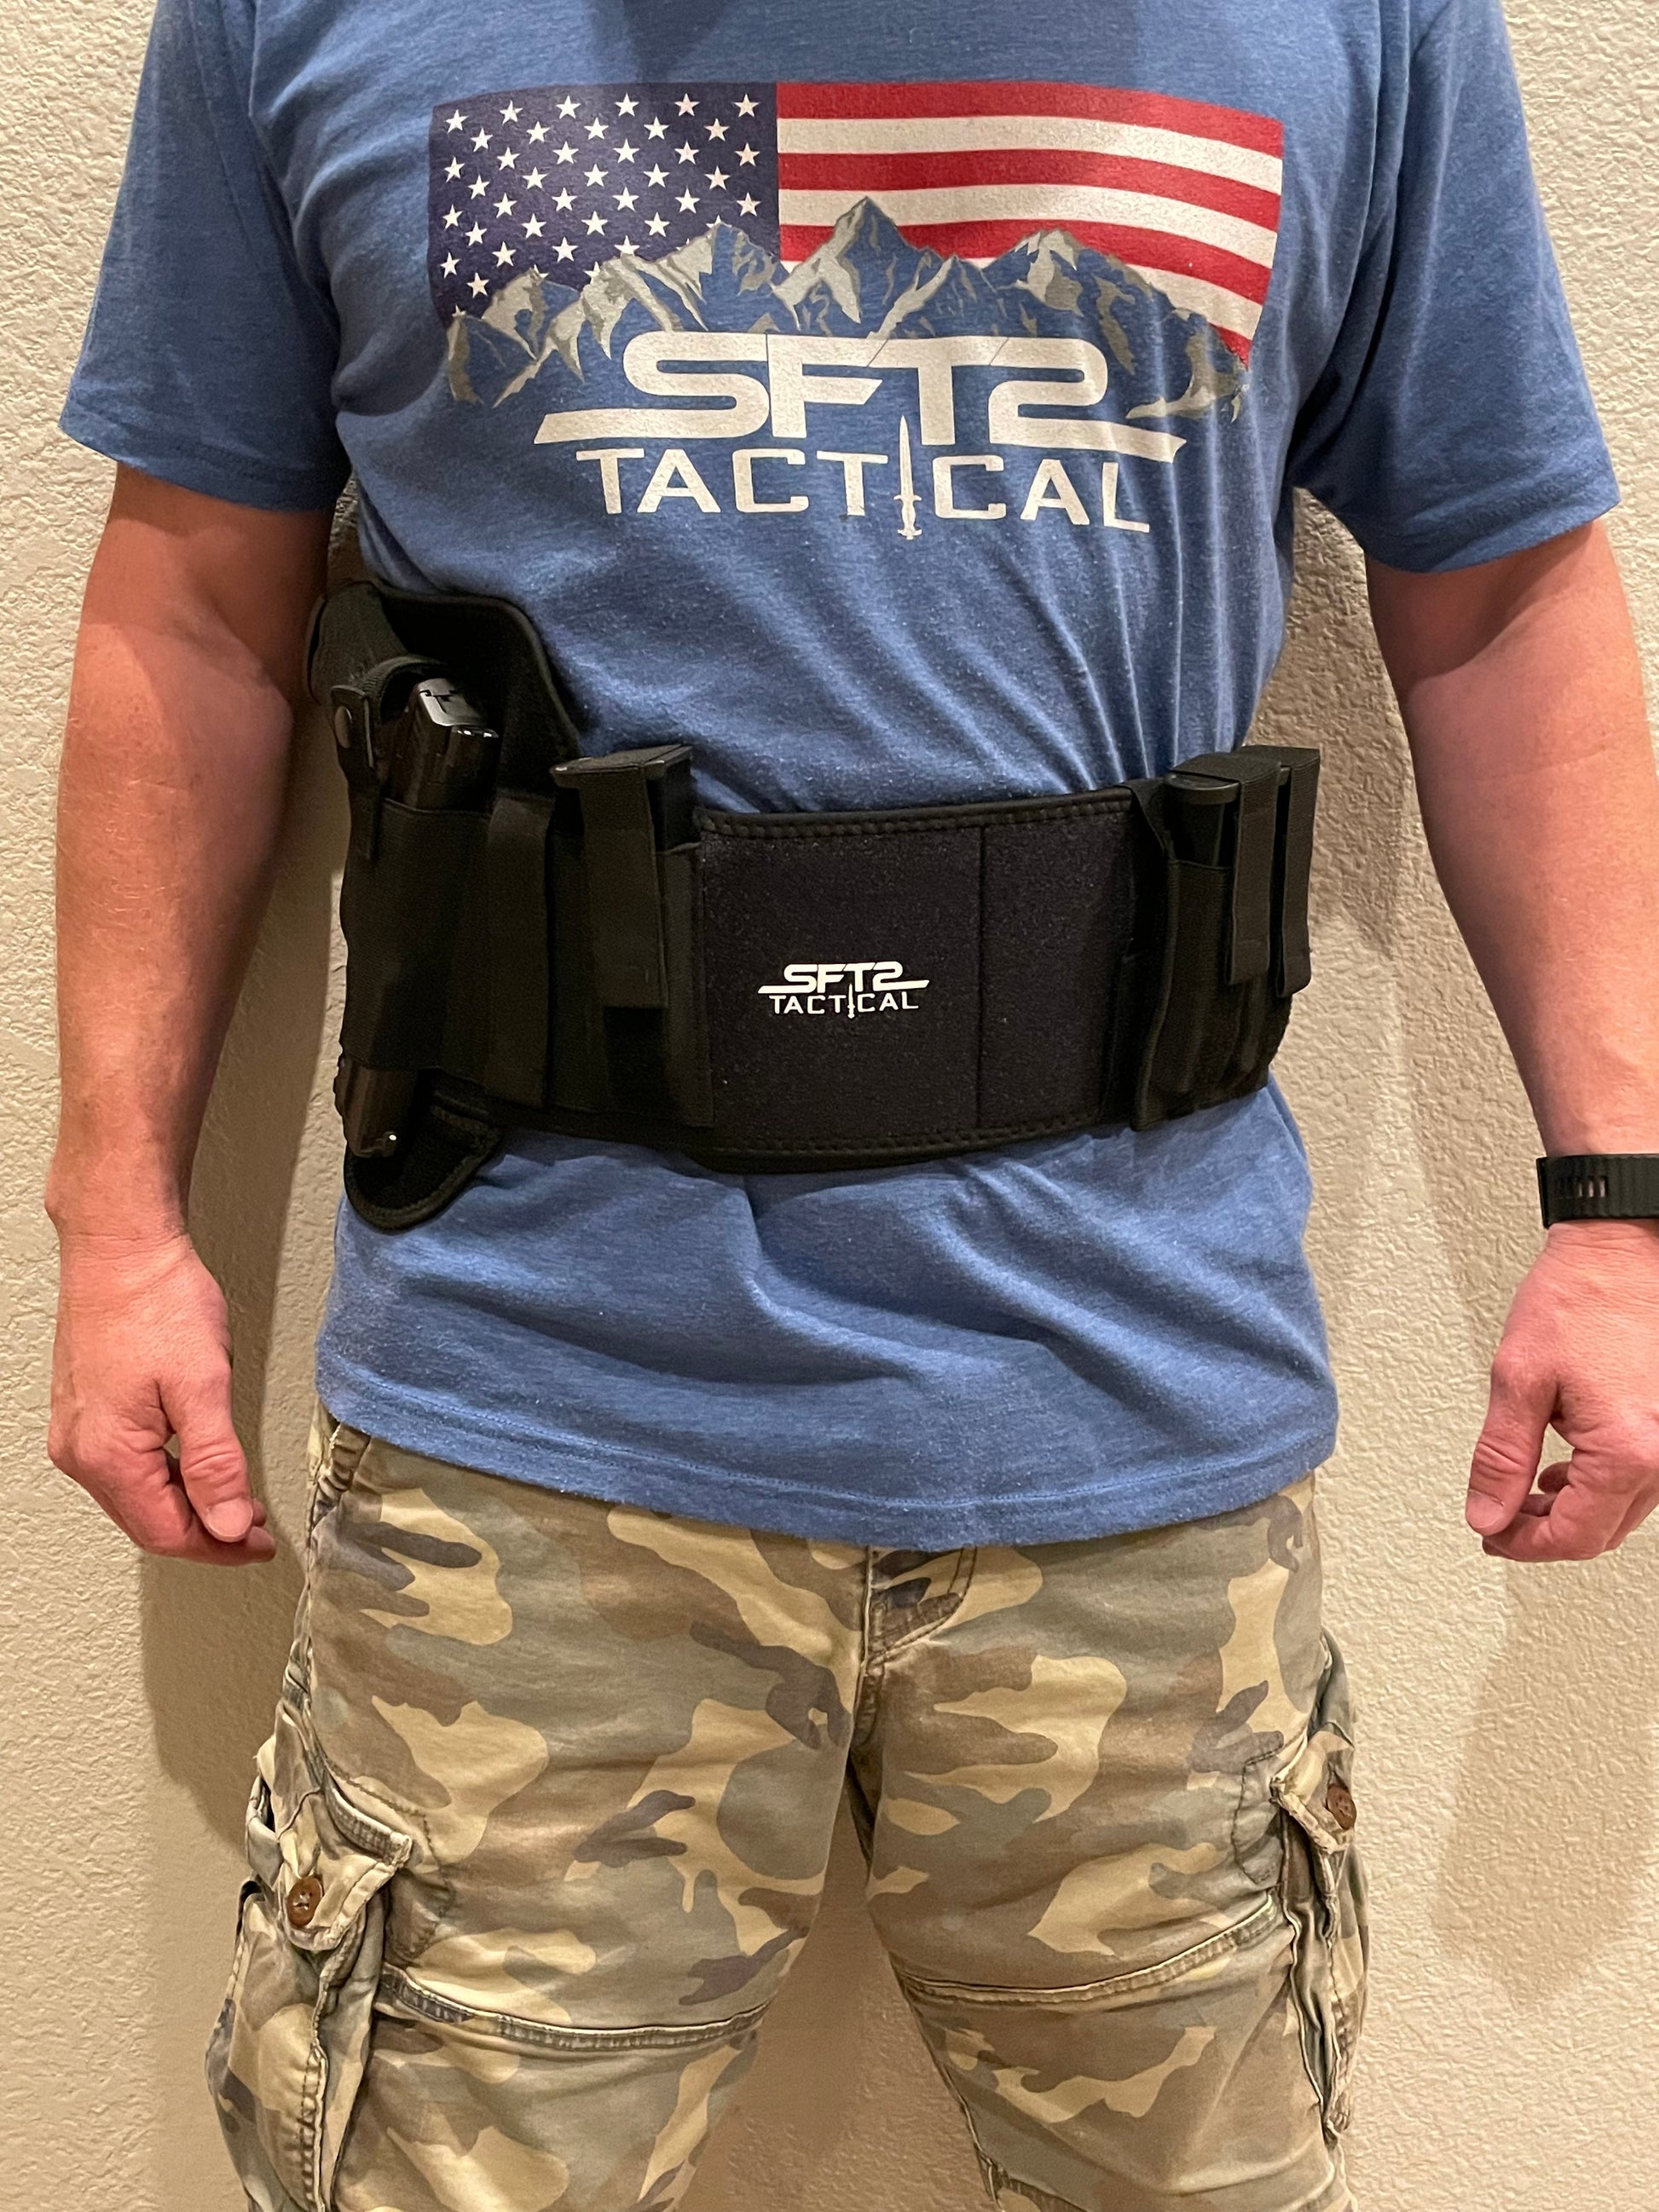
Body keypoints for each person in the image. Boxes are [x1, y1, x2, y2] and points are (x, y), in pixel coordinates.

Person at [45, 0, 1659, 2204]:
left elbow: (1499, 594)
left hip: (1131, 1435)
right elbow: (194, 607)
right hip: (537, 1438)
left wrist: (1615, 1200)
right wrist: (119, 1216)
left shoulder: (1360, 22)